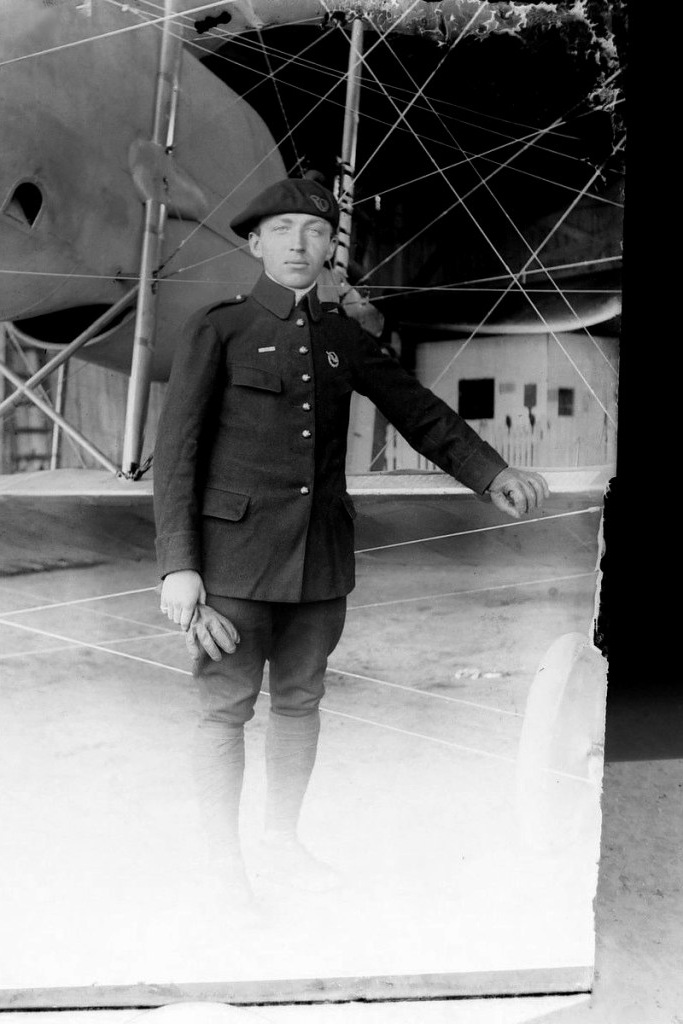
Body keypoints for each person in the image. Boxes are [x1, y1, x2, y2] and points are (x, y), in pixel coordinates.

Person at [153, 177, 548, 907]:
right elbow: (176, 454)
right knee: (224, 710)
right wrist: (179, 568)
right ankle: (220, 869)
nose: (299, 244)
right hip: (233, 565)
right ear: (254, 243)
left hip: (321, 563)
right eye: (282, 230)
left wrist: (488, 472)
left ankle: (280, 844)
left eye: (313, 230)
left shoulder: (341, 336)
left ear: (328, 246)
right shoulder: (219, 328)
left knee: (300, 702)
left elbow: (418, 412)